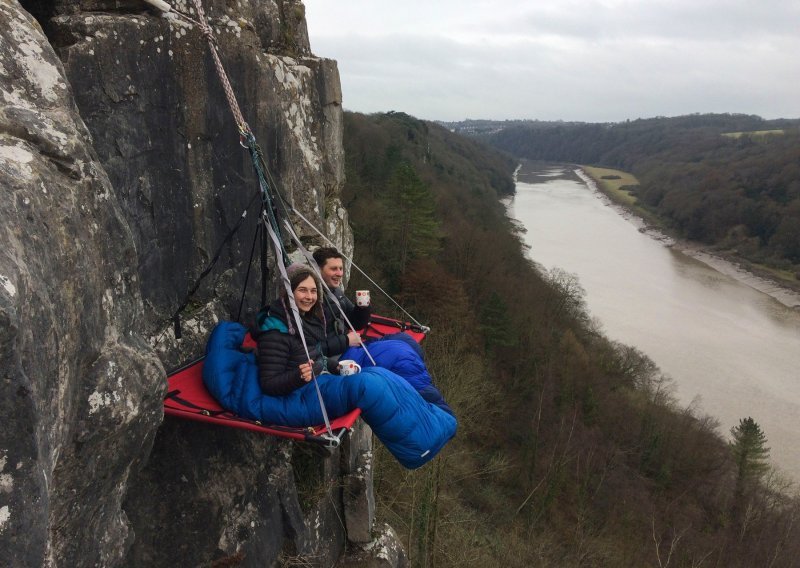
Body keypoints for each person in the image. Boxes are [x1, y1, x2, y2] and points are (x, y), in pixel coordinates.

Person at [255, 266, 354, 396]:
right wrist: (299, 376)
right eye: (302, 290)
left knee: (372, 377)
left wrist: (335, 366)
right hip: (295, 395)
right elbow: (268, 384)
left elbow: (315, 357)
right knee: (365, 386)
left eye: (313, 291)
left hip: (313, 385)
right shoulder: (276, 333)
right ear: (287, 292)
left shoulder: (307, 322)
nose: (309, 297)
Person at [312, 247, 370, 358]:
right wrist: (346, 340)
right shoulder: (311, 299)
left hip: (345, 350)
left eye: (341, 268)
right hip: (333, 359)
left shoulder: (336, 291)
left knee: (401, 341)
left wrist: (362, 308)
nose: (339, 273)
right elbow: (311, 349)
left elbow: (355, 324)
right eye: (334, 269)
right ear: (318, 269)